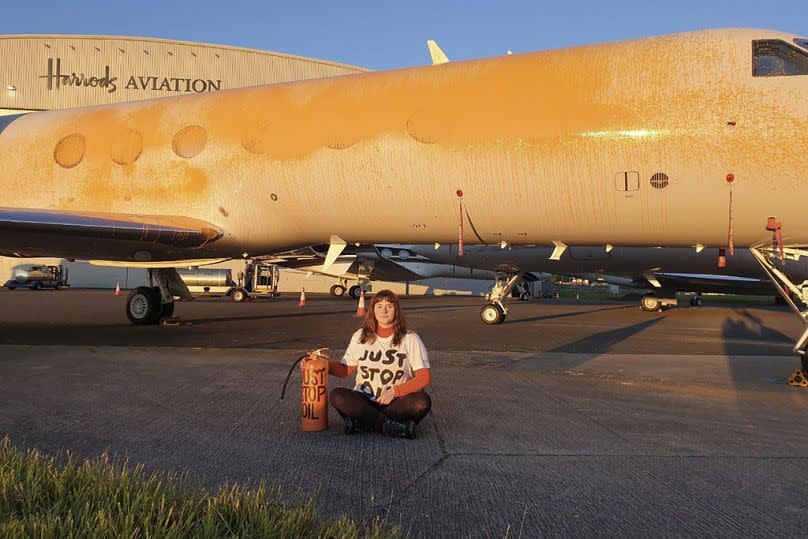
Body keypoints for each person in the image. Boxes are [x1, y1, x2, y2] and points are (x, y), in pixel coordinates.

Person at [317, 289, 431, 439]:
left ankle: (363, 423)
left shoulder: (410, 338)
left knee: (422, 401)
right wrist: (321, 364)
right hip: (365, 401)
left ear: (396, 310)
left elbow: (424, 378)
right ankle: (391, 426)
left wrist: (394, 392)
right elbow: (345, 370)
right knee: (338, 396)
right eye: (379, 306)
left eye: (389, 306)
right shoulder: (360, 336)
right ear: (373, 310)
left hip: (395, 403)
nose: (384, 310)